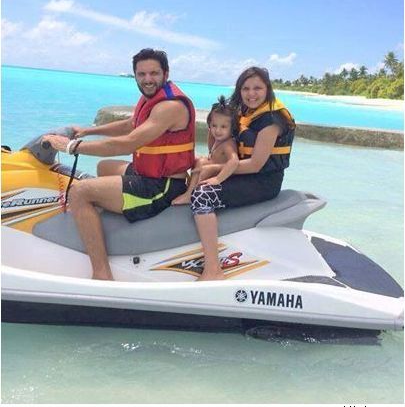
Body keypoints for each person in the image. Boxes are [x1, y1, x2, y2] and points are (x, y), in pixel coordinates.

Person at [43, 48, 195, 281]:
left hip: (162, 187)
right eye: (141, 74)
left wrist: (71, 146)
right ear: (135, 75)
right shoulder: (152, 97)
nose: (147, 79)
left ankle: (101, 273)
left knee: (79, 192)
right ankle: (107, 230)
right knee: (104, 167)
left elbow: (128, 143)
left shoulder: (170, 106)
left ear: (166, 73)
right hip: (148, 174)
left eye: (154, 73)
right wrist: (87, 131)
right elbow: (130, 125)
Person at [190, 66, 295, 281]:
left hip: (263, 181)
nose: (251, 93)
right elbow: (215, 129)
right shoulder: (242, 110)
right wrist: (210, 158)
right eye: (246, 88)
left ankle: (213, 269)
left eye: (257, 88)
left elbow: (256, 165)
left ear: (267, 89)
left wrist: (215, 169)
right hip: (238, 171)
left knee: (202, 195)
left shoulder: (272, 121)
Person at [172, 96, 239, 206]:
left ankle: (189, 194)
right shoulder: (219, 139)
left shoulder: (228, 144)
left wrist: (218, 179)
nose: (217, 130)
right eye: (214, 126)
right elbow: (211, 152)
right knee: (197, 159)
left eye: (223, 127)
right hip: (211, 170)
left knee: (201, 162)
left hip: (220, 175)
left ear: (232, 128)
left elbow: (234, 161)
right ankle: (190, 186)